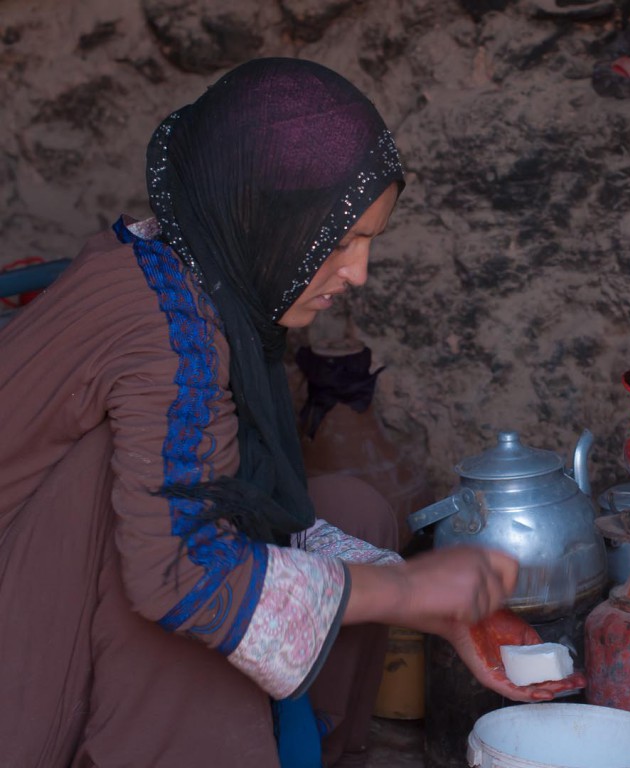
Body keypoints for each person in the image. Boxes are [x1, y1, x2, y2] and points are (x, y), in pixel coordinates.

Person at [0, 57, 583, 768]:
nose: (359, 273)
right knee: (175, 572)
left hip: (85, 578)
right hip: (24, 626)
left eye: (369, 241)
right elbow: (181, 570)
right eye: (338, 244)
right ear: (262, 218)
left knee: (353, 511)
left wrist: (447, 610)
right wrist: (403, 587)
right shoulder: (166, 335)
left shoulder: (202, 279)